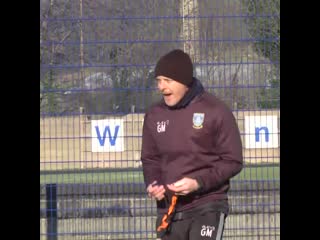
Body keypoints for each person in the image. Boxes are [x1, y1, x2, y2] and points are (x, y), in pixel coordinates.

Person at [140, 49, 243, 240]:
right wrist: (154, 184)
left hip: (208, 205)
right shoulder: (154, 115)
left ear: (184, 81)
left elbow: (233, 160)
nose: (162, 87)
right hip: (169, 209)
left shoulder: (216, 111)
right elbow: (150, 159)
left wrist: (198, 182)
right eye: (159, 80)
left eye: (167, 80)